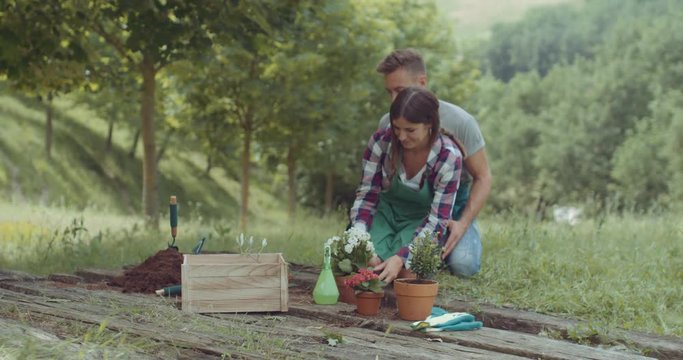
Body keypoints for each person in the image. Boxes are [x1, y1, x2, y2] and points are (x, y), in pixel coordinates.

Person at [375, 49, 492, 278]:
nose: (393, 100)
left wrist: (462, 223)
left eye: (400, 90)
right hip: (412, 206)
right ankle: (425, 249)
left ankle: (447, 245)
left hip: (452, 204)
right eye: (389, 92)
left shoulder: (461, 122)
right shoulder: (387, 124)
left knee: (464, 265)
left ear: (422, 82)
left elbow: (484, 177)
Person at [349, 87, 464, 283]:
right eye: (396, 128)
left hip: (420, 221)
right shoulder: (381, 143)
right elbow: (367, 196)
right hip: (383, 214)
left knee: (406, 276)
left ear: (429, 124)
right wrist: (360, 240)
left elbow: (437, 220)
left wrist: (402, 257)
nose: (401, 137)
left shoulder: (449, 157)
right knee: (364, 267)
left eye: (410, 130)